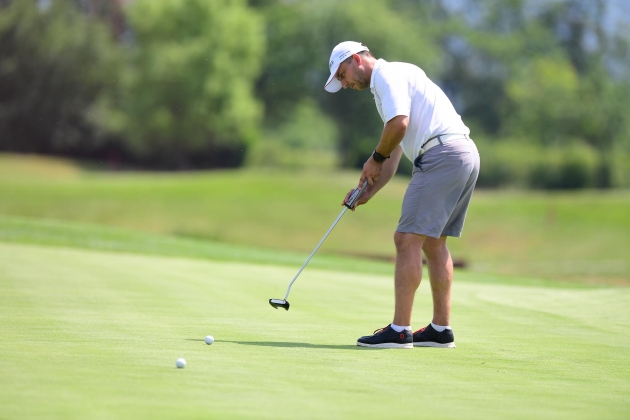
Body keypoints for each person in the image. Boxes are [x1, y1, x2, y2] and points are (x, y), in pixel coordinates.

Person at [324, 41, 480, 349]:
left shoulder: (386, 75)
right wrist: (370, 190)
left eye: (342, 75)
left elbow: (398, 126)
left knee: (406, 239)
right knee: (434, 242)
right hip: (463, 153)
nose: (344, 84)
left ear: (357, 59)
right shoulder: (395, 78)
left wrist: (374, 158)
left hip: (441, 155)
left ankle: (399, 330)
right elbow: (394, 149)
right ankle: (440, 329)